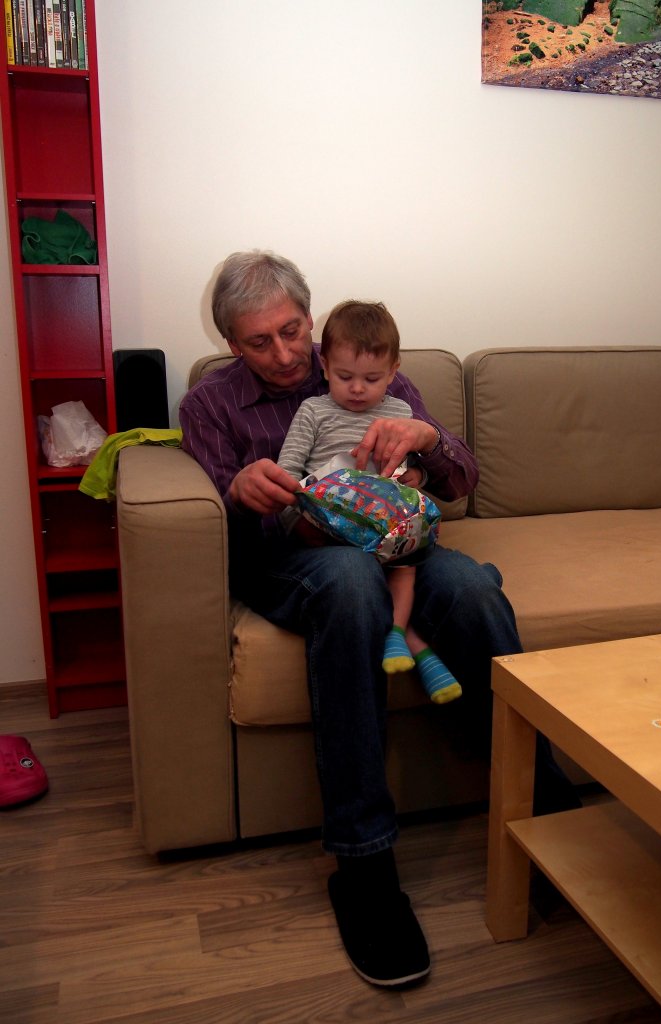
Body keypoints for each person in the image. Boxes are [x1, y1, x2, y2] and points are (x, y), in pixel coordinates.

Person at [179, 249, 578, 987]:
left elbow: (459, 481)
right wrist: (238, 490)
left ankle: (548, 816)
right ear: (230, 343)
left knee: (472, 590)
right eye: (259, 342)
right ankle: (363, 866)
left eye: (292, 331)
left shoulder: (369, 366)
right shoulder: (210, 404)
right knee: (350, 581)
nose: (285, 354)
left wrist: (429, 442)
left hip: (399, 547)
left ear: (310, 318)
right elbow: (212, 522)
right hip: (298, 561)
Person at [277, 299, 461, 705]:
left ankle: (397, 635)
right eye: (345, 376)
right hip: (334, 525)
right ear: (324, 366)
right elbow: (287, 472)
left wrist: (418, 477)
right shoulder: (314, 411)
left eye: (372, 378)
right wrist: (297, 508)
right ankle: (415, 645)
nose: (358, 388)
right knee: (360, 576)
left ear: (394, 372)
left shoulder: (400, 411)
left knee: (407, 564)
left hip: (388, 525)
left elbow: (412, 467)